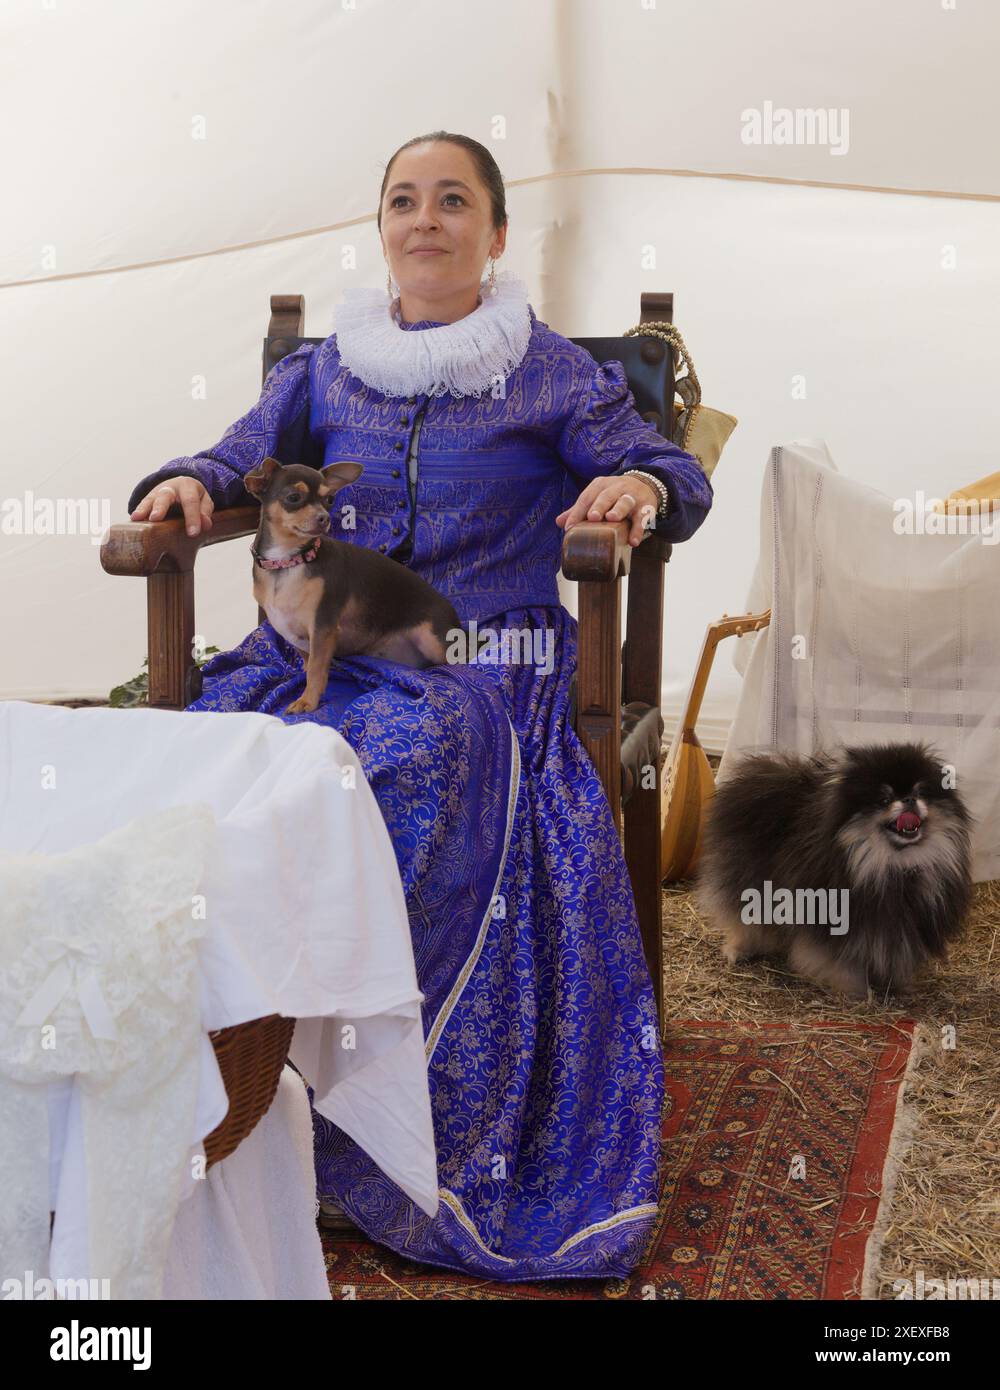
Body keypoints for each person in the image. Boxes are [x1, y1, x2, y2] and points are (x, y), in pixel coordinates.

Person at [128, 131, 713, 1280]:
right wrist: (186, 480)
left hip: (476, 658)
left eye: (454, 201)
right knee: (212, 763)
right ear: (382, 229)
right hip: (315, 647)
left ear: (495, 235)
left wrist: (635, 483)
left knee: (388, 756)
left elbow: (672, 471)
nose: (425, 218)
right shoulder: (322, 369)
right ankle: (231, 1095)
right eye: (404, 200)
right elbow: (234, 453)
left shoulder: (545, 368)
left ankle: (386, 1126)